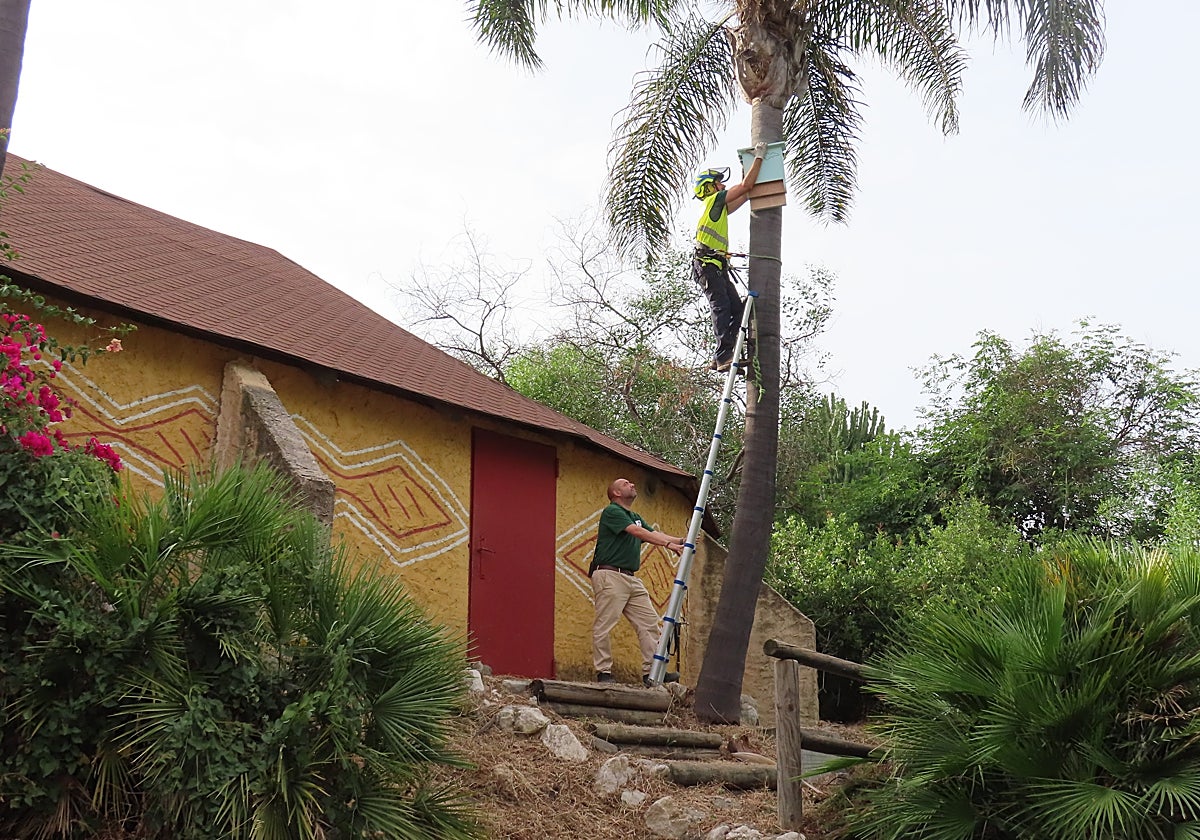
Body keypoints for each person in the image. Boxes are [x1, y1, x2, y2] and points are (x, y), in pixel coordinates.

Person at [588, 477, 685, 687]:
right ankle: (603, 671)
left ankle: (652, 672)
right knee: (605, 624)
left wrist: (681, 541)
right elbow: (637, 532)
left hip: (631, 578)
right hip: (610, 575)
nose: (632, 485)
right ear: (616, 493)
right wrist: (669, 545)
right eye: (625, 484)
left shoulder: (635, 516)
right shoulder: (612, 511)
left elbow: (652, 533)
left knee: (649, 623)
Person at [692, 141, 768, 372]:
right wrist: (759, 157)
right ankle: (722, 356)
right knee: (722, 308)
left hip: (716, 268)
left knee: (737, 309)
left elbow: (745, 194)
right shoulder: (713, 201)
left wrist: (747, 165)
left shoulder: (719, 208)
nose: (723, 185)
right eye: (719, 182)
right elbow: (746, 186)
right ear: (709, 187)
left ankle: (723, 356)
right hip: (707, 266)